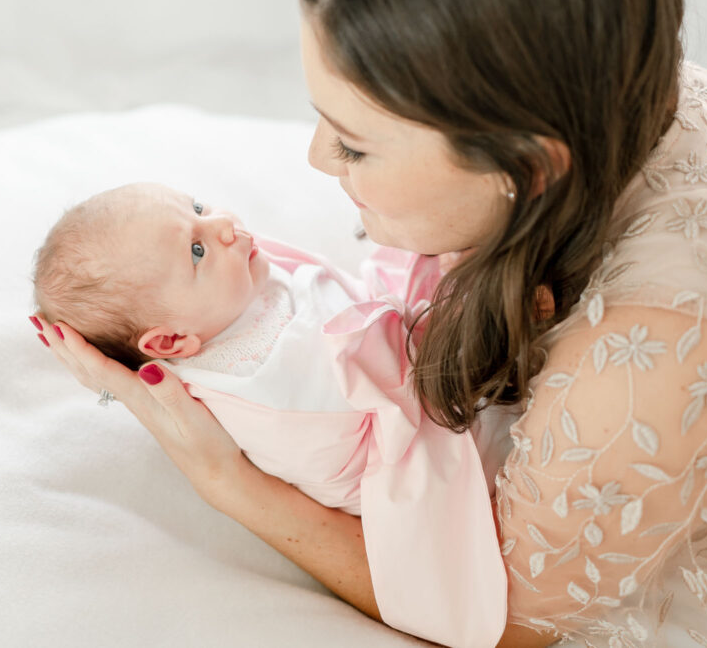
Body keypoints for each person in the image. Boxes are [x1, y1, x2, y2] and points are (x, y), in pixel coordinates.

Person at [32, 0, 707, 645]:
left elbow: (498, 619)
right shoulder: (604, 64)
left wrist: (226, 480)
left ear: (527, 165)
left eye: (355, 144)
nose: (314, 156)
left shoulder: (648, 366)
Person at [32, 181, 515, 645]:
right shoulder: (253, 385)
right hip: (415, 445)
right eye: (197, 250)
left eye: (198, 207)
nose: (224, 225)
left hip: (408, 365)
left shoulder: (228, 296)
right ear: (171, 342)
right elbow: (352, 426)